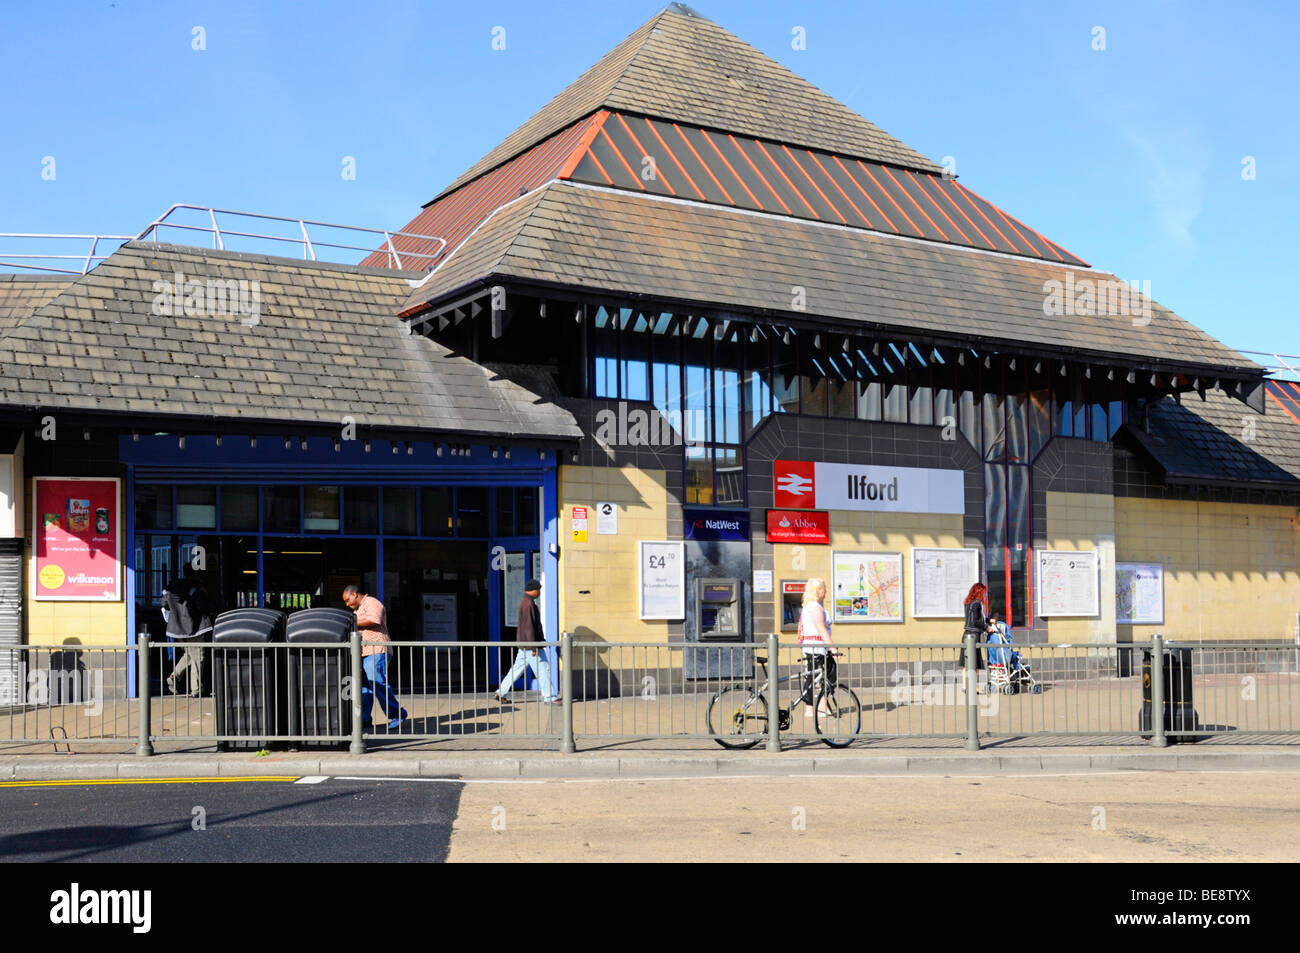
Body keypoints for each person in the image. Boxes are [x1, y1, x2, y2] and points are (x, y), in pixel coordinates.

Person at [342, 585, 406, 730]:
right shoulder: (357, 610)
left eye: (347, 600)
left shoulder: (371, 602)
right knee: (365, 687)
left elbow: (374, 620)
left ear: (354, 594)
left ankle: (397, 713)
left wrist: (350, 623)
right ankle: (364, 719)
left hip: (376, 649)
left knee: (377, 683)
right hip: (364, 652)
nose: (347, 604)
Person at [492, 579, 559, 705]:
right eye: (538, 589)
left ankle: (501, 692)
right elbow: (529, 627)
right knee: (543, 669)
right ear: (533, 590)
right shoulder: (528, 604)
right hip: (531, 646)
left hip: (525, 645)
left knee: (516, 670)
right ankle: (550, 697)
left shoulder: (526, 602)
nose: (539, 592)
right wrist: (534, 646)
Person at [162, 574, 214, 696]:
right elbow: (202, 605)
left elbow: (164, 604)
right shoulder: (195, 589)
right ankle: (196, 689)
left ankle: (173, 677)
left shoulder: (171, 589)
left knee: (189, 654)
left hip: (177, 630)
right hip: (196, 628)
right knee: (198, 656)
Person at [797, 577, 836, 719]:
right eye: (824, 589)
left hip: (813, 647)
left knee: (813, 676)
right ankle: (820, 706)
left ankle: (813, 708)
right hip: (818, 648)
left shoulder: (809, 606)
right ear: (819, 591)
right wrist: (833, 648)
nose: (825, 592)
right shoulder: (815, 607)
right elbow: (822, 629)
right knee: (828, 675)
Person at [959, 582, 991, 695]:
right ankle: (974, 687)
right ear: (979, 592)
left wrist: (988, 620)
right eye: (984, 592)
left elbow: (973, 618)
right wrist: (987, 627)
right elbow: (975, 621)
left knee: (965, 662)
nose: (985, 595)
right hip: (973, 636)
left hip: (966, 634)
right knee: (975, 662)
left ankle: (964, 686)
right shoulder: (977, 603)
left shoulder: (968, 603)